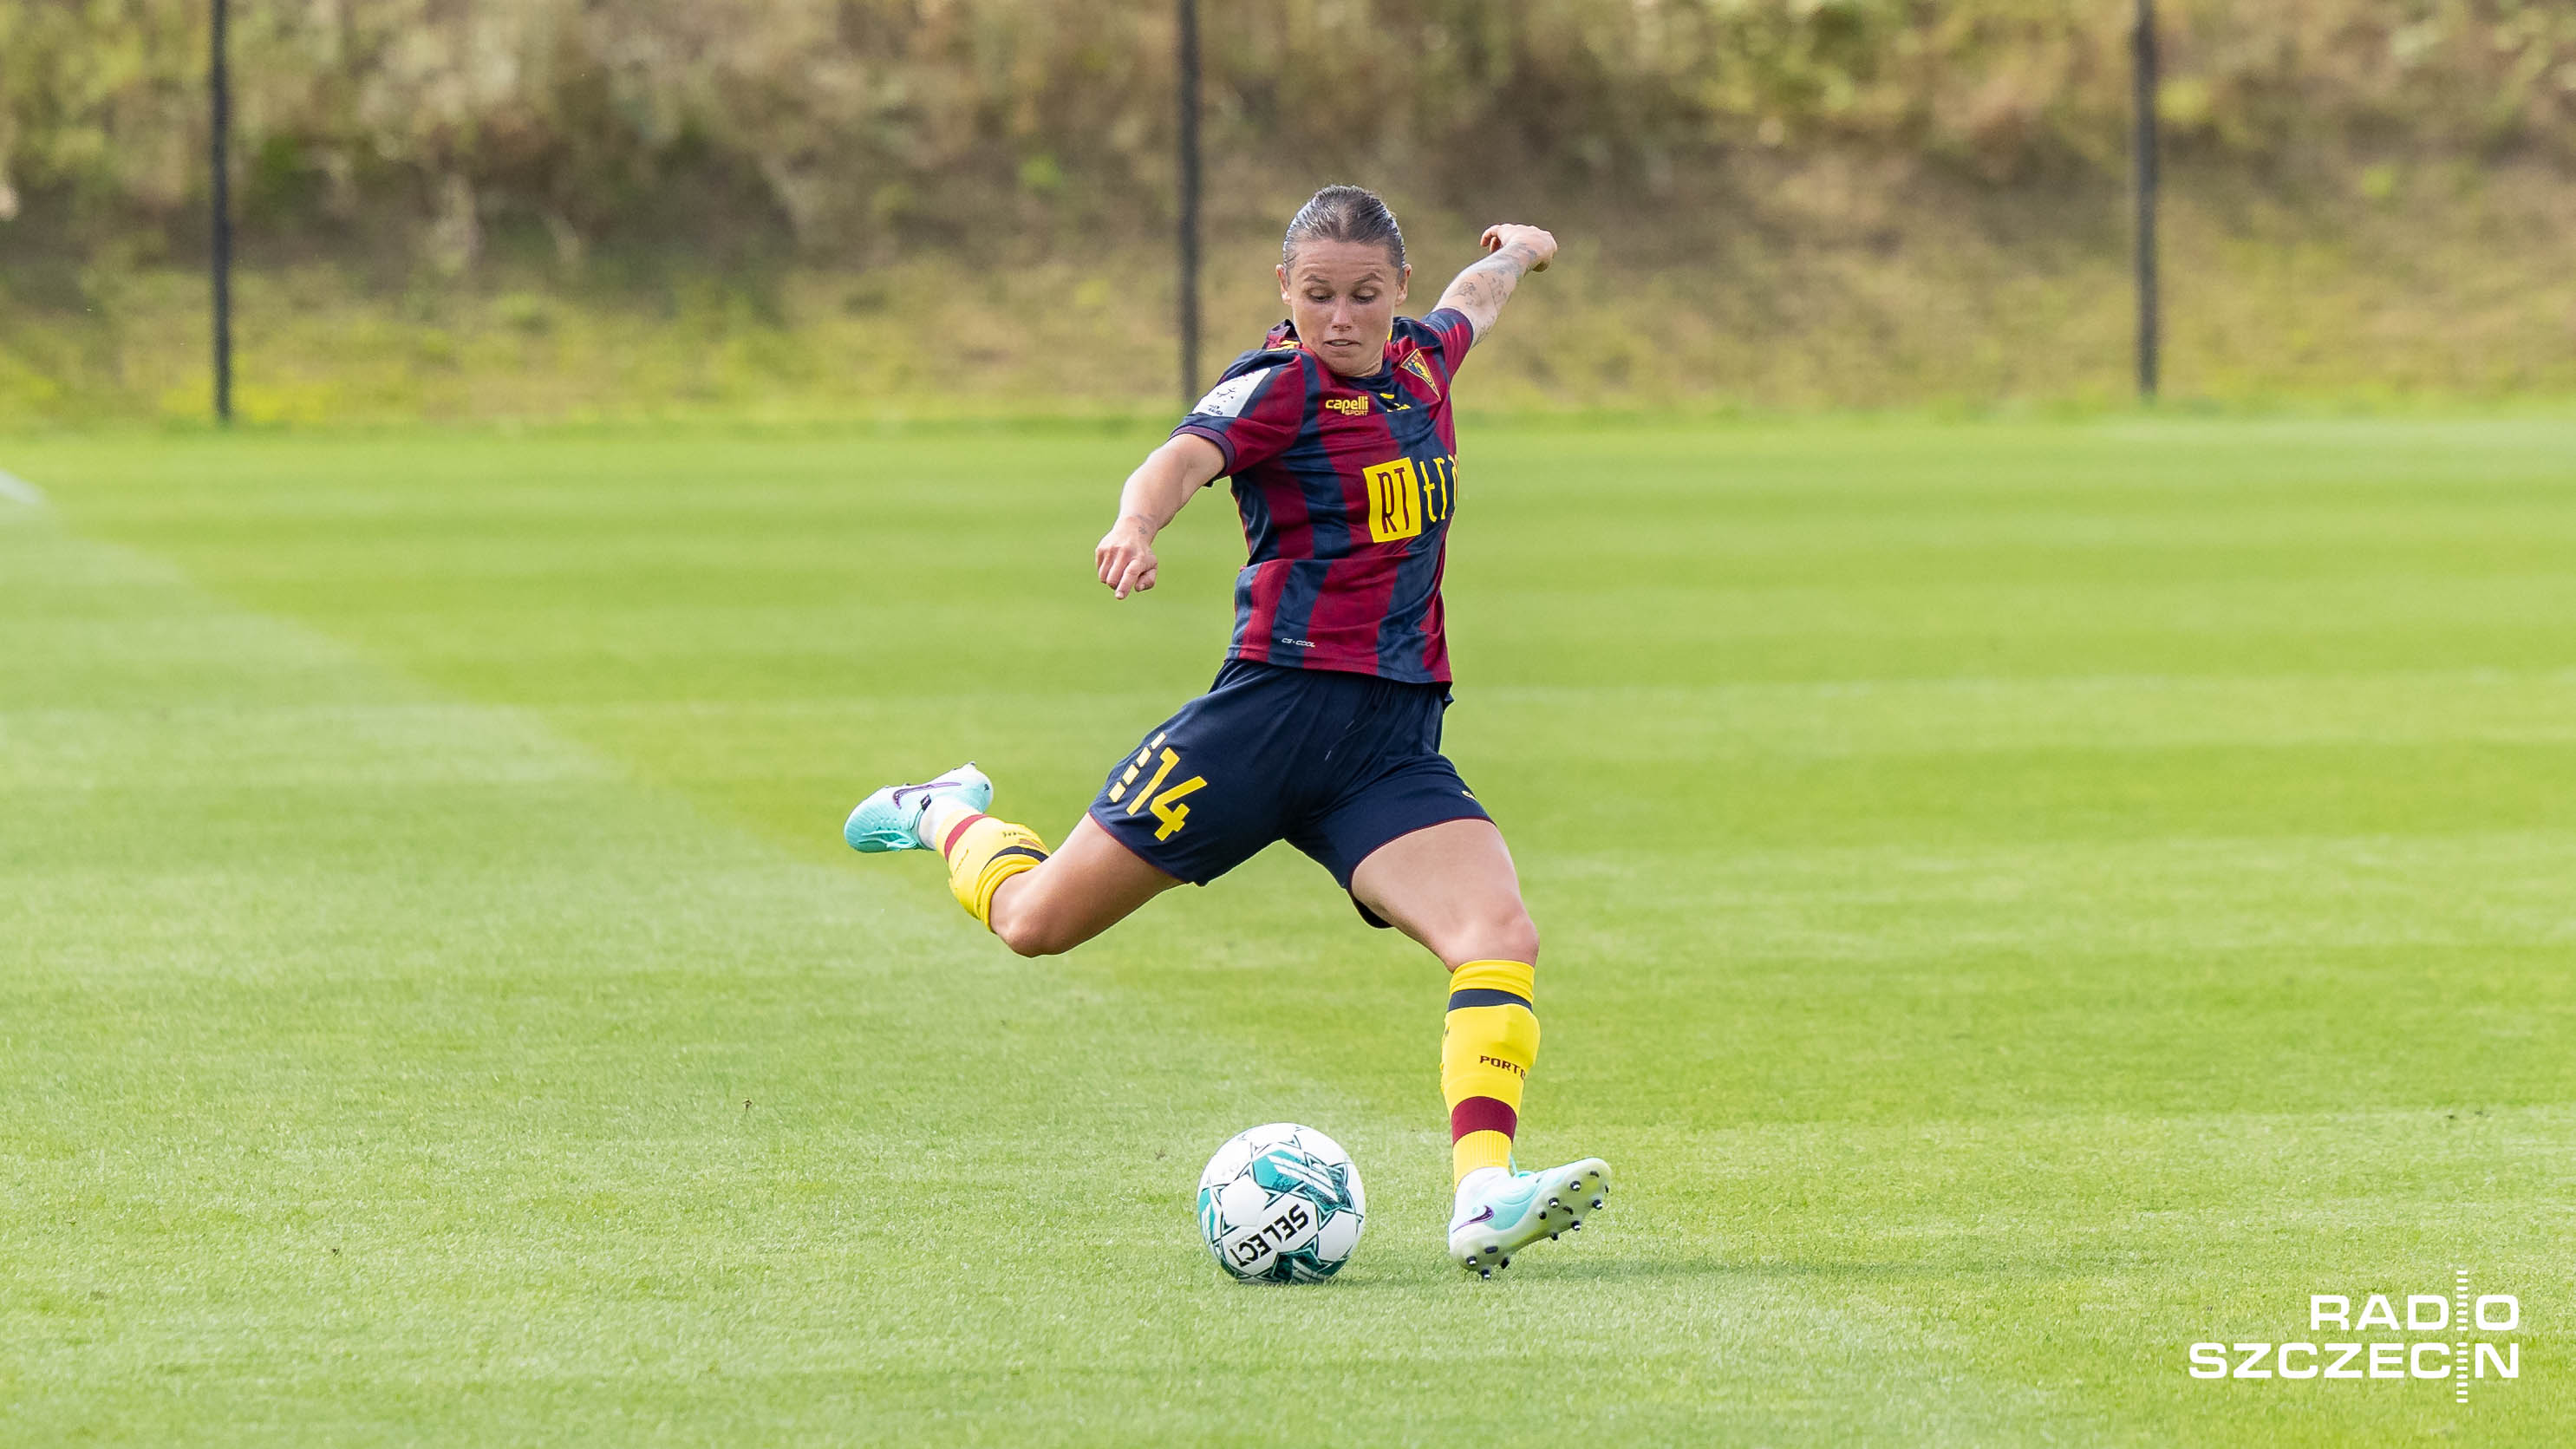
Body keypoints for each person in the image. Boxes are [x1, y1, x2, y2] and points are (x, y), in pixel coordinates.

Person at [843, 184, 1608, 1277]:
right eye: (1316, 295)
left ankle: (1483, 1192)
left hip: (1388, 743)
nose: (1338, 318)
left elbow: (1473, 299)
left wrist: (1523, 252)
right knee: (1035, 922)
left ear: (1394, 293)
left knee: (1497, 934)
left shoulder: (1423, 363)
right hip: (1266, 720)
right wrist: (1132, 523)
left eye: (1363, 296)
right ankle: (942, 813)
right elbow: (1178, 460)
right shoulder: (1276, 386)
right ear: (1283, 291)